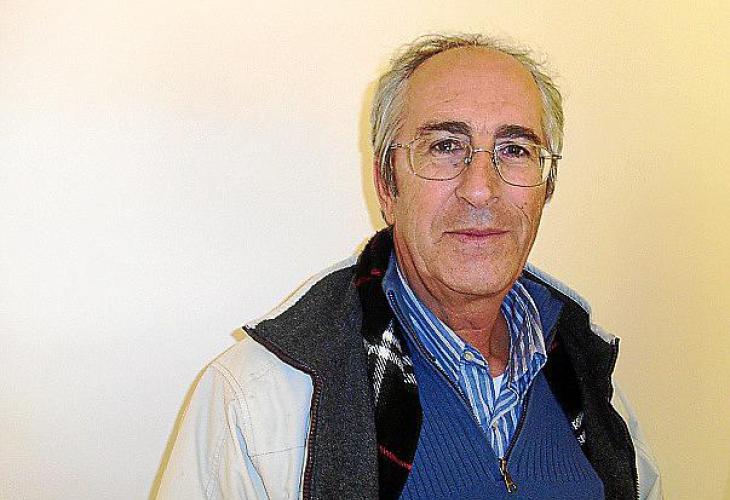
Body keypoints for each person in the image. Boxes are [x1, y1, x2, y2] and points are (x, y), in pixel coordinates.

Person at [156, 33, 662, 499]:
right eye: (445, 147)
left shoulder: (590, 375)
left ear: (545, 187)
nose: (480, 189)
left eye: (514, 149)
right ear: (387, 184)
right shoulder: (256, 400)